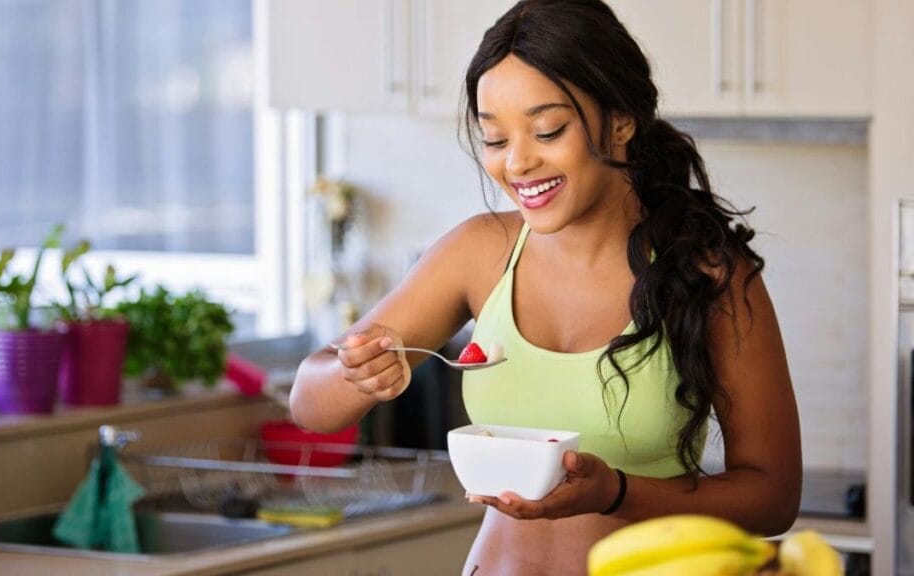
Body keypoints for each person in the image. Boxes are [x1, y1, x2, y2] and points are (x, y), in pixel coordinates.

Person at [290, 0, 802, 574]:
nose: (519, 163)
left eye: (547, 130)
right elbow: (310, 404)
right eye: (494, 139)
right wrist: (354, 373)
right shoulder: (479, 252)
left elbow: (773, 496)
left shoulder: (708, 274)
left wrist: (617, 492)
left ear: (621, 120)